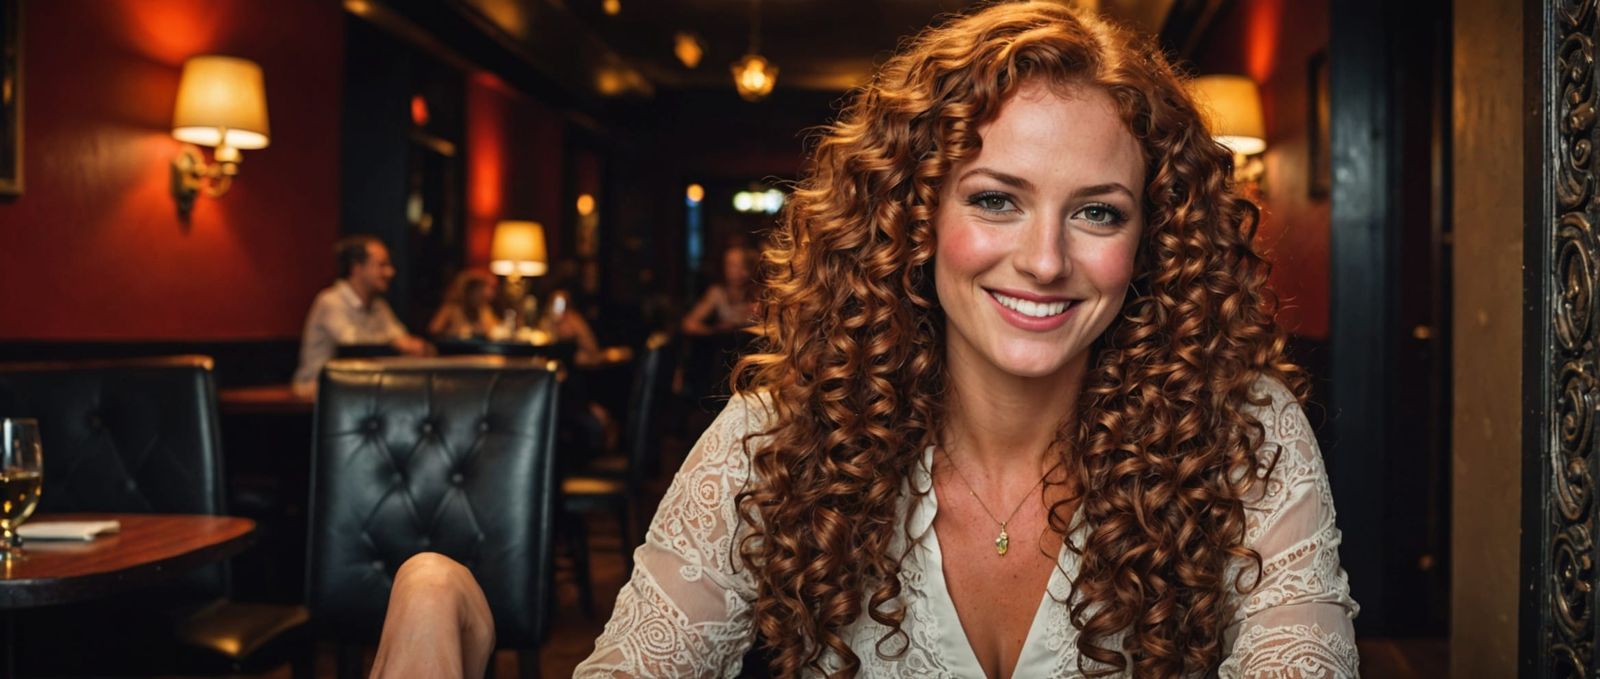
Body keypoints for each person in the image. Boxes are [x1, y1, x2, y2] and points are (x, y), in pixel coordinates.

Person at [368, 4, 1359, 678]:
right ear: (913, 215)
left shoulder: (1240, 437)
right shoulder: (780, 434)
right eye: (996, 199)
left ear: (1150, 240)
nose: (1045, 259)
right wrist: (433, 603)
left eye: (1097, 213)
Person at [292, 235, 428, 392]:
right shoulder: (330, 301)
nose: (390, 272)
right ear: (357, 268)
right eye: (382, 265)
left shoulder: (379, 306)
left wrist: (411, 345)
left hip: (353, 390)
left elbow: (401, 338)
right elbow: (354, 346)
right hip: (315, 391)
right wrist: (396, 343)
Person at [681, 244, 759, 335]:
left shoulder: (759, 293)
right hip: (726, 345)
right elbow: (688, 324)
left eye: (742, 265)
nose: (737, 271)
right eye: (732, 265)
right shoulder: (717, 292)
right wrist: (717, 332)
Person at [428, 270, 501, 340]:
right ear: (466, 291)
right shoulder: (451, 309)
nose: (486, 294)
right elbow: (433, 331)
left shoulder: (483, 310)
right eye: (477, 291)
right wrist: (452, 333)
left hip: (478, 350)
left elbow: (496, 330)